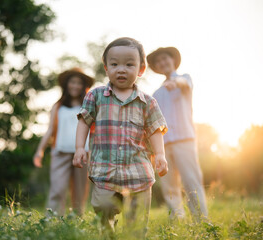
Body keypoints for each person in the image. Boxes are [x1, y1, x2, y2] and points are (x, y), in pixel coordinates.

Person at [73, 37, 168, 237]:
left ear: (141, 69)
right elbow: (84, 121)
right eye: (114, 64)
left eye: (129, 64)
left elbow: (154, 130)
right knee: (103, 207)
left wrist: (160, 154)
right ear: (106, 68)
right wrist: (80, 148)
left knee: (136, 224)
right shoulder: (96, 96)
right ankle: (108, 233)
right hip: (105, 170)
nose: (121, 69)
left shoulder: (148, 102)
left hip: (138, 171)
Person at [148, 47, 208, 221]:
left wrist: (175, 82)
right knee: (169, 186)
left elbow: (184, 83)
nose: (162, 63)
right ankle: (177, 220)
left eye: (165, 58)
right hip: (163, 145)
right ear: (156, 67)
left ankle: (201, 220)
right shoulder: (156, 94)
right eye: (158, 61)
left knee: (192, 181)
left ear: (173, 60)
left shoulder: (185, 80)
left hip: (184, 140)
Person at [33, 68, 94, 216]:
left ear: (83, 86)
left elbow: (93, 132)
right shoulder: (58, 106)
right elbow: (49, 130)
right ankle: (51, 219)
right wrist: (39, 151)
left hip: (82, 153)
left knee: (80, 191)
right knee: (58, 188)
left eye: (79, 83)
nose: (75, 86)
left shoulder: (88, 106)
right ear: (67, 85)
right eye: (72, 82)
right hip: (60, 152)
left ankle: (77, 219)